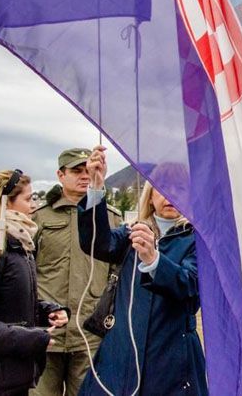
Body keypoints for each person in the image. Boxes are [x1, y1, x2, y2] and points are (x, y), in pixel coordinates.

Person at [76, 146, 207, 395]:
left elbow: (190, 287)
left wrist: (155, 260)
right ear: (150, 195)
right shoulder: (131, 233)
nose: (171, 196)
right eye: (164, 188)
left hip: (172, 359)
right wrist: (94, 187)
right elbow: (97, 243)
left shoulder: (196, 241)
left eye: (180, 189)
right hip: (121, 354)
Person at [0, 170, 69, 395]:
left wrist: (45, 311)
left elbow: (8, 306)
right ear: (5, 203)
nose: (34, 205)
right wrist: (32, 339)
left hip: (12, 378)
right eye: (28, 199)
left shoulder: (19, 246)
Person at [31, 149, 121, 396]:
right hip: (46, 331)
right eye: (76, 171)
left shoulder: (110, 218)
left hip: (89, 330)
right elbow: (25, 271)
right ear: (60, 175)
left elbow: (117, 272)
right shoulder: (38, 218)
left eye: (88, 171)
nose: (84, 176)